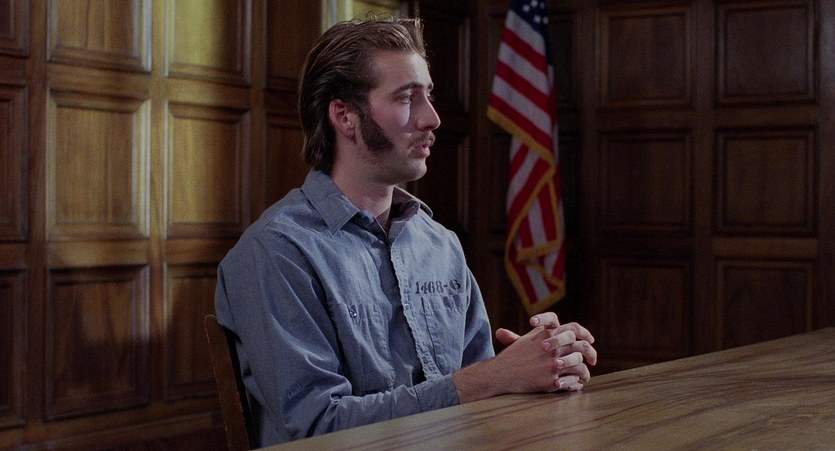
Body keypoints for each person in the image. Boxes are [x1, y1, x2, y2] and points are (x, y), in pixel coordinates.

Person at [214, 16, 597, 446]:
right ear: (344, 116)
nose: (432, 118)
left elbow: (482, 390)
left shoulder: (440, 244)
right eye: (406, 98)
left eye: (428, 95)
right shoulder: (276, 252)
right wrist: (493, 377)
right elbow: (318, 427)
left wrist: (542, 364)